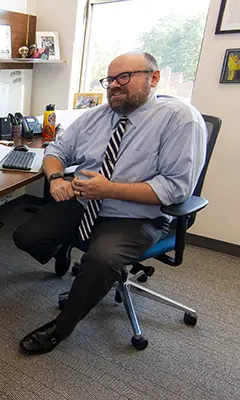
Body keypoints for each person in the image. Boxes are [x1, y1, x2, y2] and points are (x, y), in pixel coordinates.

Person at [12, 52, 207, 354]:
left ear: (153, 78)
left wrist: (110, 189)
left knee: (101, 260)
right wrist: (56, 180)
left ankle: (60, 329)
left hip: (139, 217)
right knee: (25, 236)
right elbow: (56, 152)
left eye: (124, 77)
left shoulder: (180, 119)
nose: (114, 85)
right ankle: (64, 246)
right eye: (110, 79)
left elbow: (176, 189)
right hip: (86, 203)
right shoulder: (95, 117)